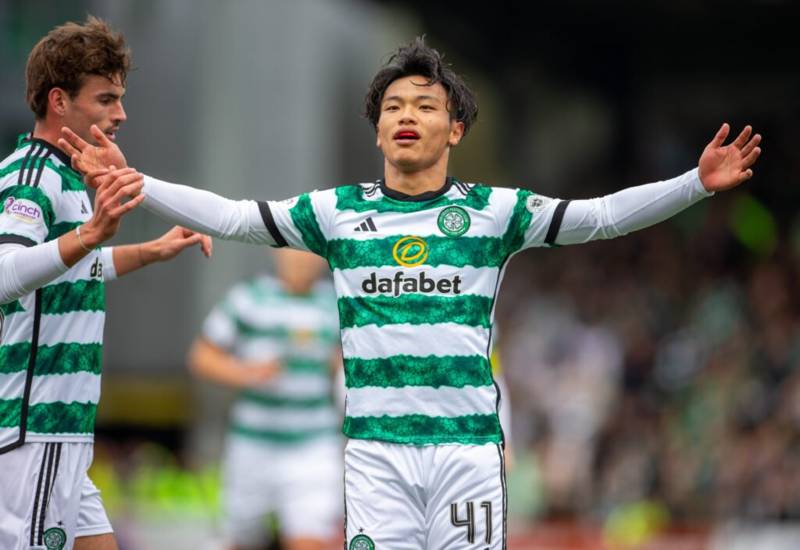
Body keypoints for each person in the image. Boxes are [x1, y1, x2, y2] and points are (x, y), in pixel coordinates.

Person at [60, 37, 761, 550]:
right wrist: (137, 183)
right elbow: (238, 216)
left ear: (455, 129)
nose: (406, 115)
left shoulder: (494, 212)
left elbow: (600, 216)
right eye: (394, 105)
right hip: (375, 455)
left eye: (426, 105)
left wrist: (693, 184)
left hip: (466, 455)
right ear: (376, 130)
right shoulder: (337, 213)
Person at [0, 17, 211, 550]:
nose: (121, 114)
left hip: (64, 431)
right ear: (59, 101)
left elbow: (71, 269)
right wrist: (91, 233)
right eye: (106, 99)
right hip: (35, 428)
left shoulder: (67, 175)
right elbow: (5, 274)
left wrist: (151, 250)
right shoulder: (31, 176)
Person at [187, 248, 342, 550]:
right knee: (242, 539)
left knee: (311, 539)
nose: (301, 260)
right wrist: (247, 373)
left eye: (309, 252)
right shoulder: (248, 298)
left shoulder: (335, 304)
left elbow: (346, 365)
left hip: (314, 444)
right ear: (277, 252)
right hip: (252, 443)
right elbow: (201, 357)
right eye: (294, 251)